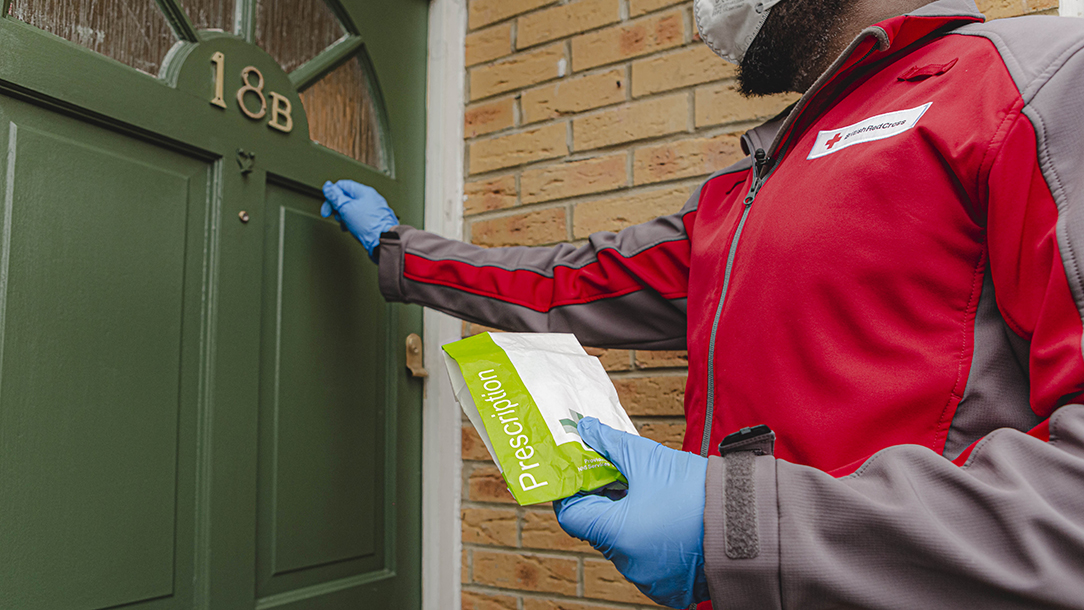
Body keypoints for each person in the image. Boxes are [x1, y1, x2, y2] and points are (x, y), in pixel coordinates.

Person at [321, 0, 1084, 605]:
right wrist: (403, 252)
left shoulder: (1036, 83)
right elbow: (572, 281)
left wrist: (739, 525)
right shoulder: (747, 184)